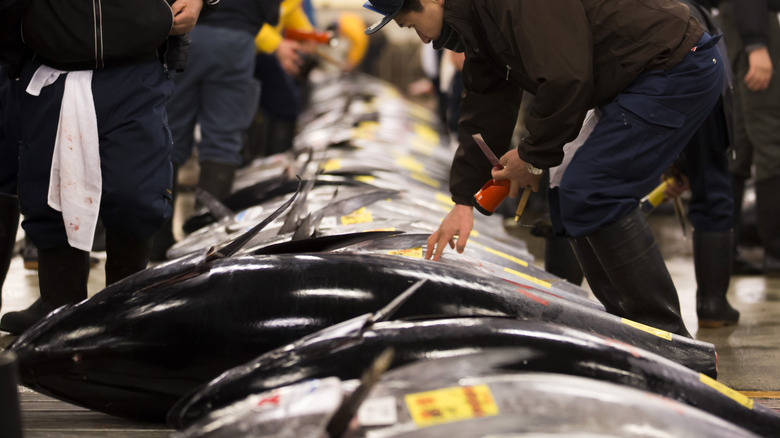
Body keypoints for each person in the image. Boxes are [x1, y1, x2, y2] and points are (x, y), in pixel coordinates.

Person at [364, 0, 726, 337]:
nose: (424, 39)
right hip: (633, 78)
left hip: (674, 64)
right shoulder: (479, 22)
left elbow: (567, 77)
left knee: (593, 190)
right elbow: (484, 109)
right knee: (566, 181)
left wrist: (532, 155)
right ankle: (627, 326)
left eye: (412, 25)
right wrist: (463, 201)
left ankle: (668, 339)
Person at [0, 0, 217, 335]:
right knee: (51, 204)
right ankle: (60, 325)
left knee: (138, 197)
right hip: (50, 68)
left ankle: (125, 324)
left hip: (136, 70)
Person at [151, 0, 279, 260]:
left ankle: (156, 242)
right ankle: (204, 247)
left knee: (168, 135)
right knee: (223, 141)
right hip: (237, 39)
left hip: (183, 32)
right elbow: (271, 12)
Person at [719, 0, 780, 277]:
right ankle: (776, 254)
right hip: (755, 20)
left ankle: (726, 252)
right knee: (772, 140)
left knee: (740, 144)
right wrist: (756, 44)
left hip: (744, 21)